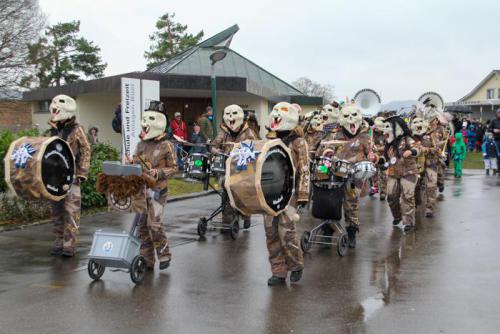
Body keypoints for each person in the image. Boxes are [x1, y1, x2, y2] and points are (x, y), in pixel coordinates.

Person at [316, 104, 378, 247]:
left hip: (354, 176)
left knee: (351, 205)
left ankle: (351, 233)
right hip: (334, 173)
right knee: (330, 203)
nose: (350, 119)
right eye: (346, 116)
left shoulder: (365, 137)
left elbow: (375, 155)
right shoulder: (333, 134)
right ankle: (327, 232)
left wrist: (374, 157)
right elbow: (323, 149)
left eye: (353, 116)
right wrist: (327, 152)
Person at [264, 102, 309, 286]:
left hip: (289, 193)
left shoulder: (299, 143)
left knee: (286, 231)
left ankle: (296, 264)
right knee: (271, 233)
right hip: (269, 192)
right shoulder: (270, 140)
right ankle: (278, 271)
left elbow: (305, 169)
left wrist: (304, 194)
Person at [129, 101, 177, 270]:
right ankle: (146, 260)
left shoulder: (166, 145)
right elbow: (136, 161)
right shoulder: (141, 144)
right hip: (142, 190)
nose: (145, 123)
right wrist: (130, 163)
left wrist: (159, 173)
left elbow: (174, 168)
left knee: (154, 224)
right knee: (142, 227)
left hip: (158, 192)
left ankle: (164, 254)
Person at [47, 95, 91, 257]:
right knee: (56, 212)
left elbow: (86, 150)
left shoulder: (76, 129)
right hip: (54, 177)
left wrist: (82, 172)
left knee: (71, 212)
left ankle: (69, 245)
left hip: (71, 176)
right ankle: (59, 242)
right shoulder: (54, 129)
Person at [211, 104, 258, 228]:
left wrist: (241, 152)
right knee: (226, 190)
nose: (231, 118)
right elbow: (215, 144)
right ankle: (228, 218)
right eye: (228, 114)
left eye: (234, 114)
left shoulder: (248, 132)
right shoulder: (224, 131)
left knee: (242, 192)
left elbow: (254, 148)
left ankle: (246, 215)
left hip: (242, 168)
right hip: (227, 167)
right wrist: (215, 149)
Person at [378, 116, 420, 232]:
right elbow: (386, 158)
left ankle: (409, 223)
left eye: (388, 127)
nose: (385, 130)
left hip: (409, 172)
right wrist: (380, 160)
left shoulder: (407, 139)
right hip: (393, 173)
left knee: (407, 196)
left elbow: (417, 148)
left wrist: (412, 151)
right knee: (391, 196)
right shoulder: (389, 143)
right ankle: (397, 216)